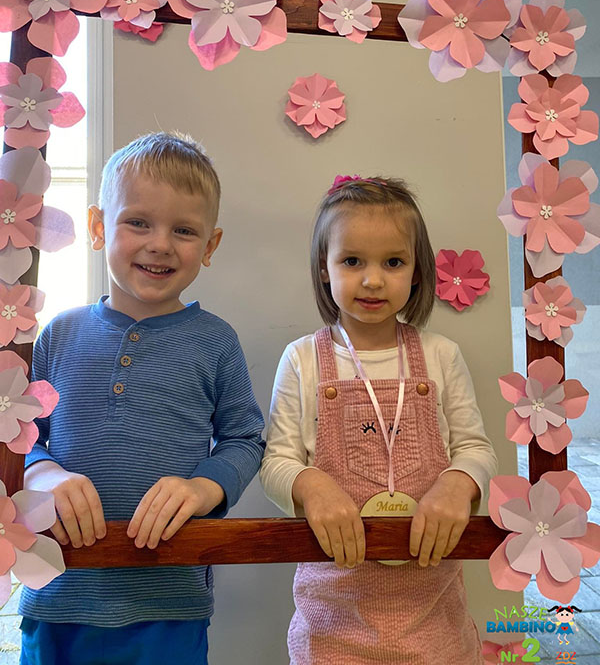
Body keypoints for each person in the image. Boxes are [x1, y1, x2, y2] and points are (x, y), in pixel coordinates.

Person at [19, 131, 265, 665]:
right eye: (138, 222)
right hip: (56, 594)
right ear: (97, 227)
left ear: (210, 246)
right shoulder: (58, 335)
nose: (160, 244)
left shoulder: (216, 341)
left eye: (184, 230)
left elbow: (246, 440)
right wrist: (43, 475)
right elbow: (22, 438)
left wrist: (202, 488)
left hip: (169, 605)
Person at [260, 174, 497, 664]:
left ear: (417, 270)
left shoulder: (442, 355)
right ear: (324, 268)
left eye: (393, 262)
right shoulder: (302, 359)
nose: (372, 280)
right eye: (352, 261)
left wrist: (458, 484)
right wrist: (311, 485)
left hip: (435, 622)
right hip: (331, 624)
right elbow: (276, 462)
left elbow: (476, 448)